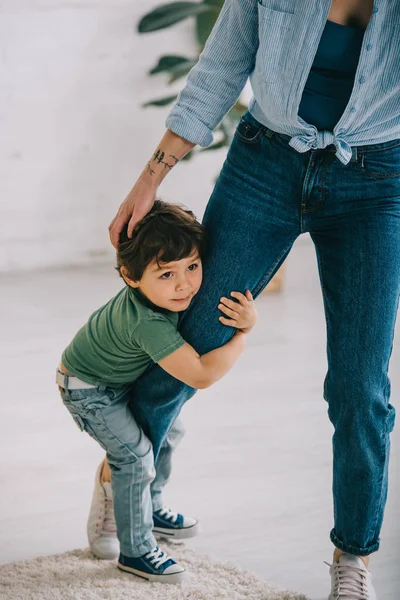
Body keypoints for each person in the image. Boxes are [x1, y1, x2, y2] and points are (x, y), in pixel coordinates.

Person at [99, 0, 400, 597]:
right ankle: (121, 478)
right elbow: (221, 67)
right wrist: (149, 180)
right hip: (265, 164)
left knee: (361, 386)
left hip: (375, 180)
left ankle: (352, 559)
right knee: (192, 335)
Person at [57, 200, 257, 583]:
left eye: (193, 267)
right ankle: (136, 550)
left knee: (171, 429)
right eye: (166, 274)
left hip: (115, 379)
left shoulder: (165, 297)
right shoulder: (147, 322)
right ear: (131, 277)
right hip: (89, 390)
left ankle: (151, 505)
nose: (184, 284)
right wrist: (244, 334)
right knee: (135, 457)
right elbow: (200, 374)